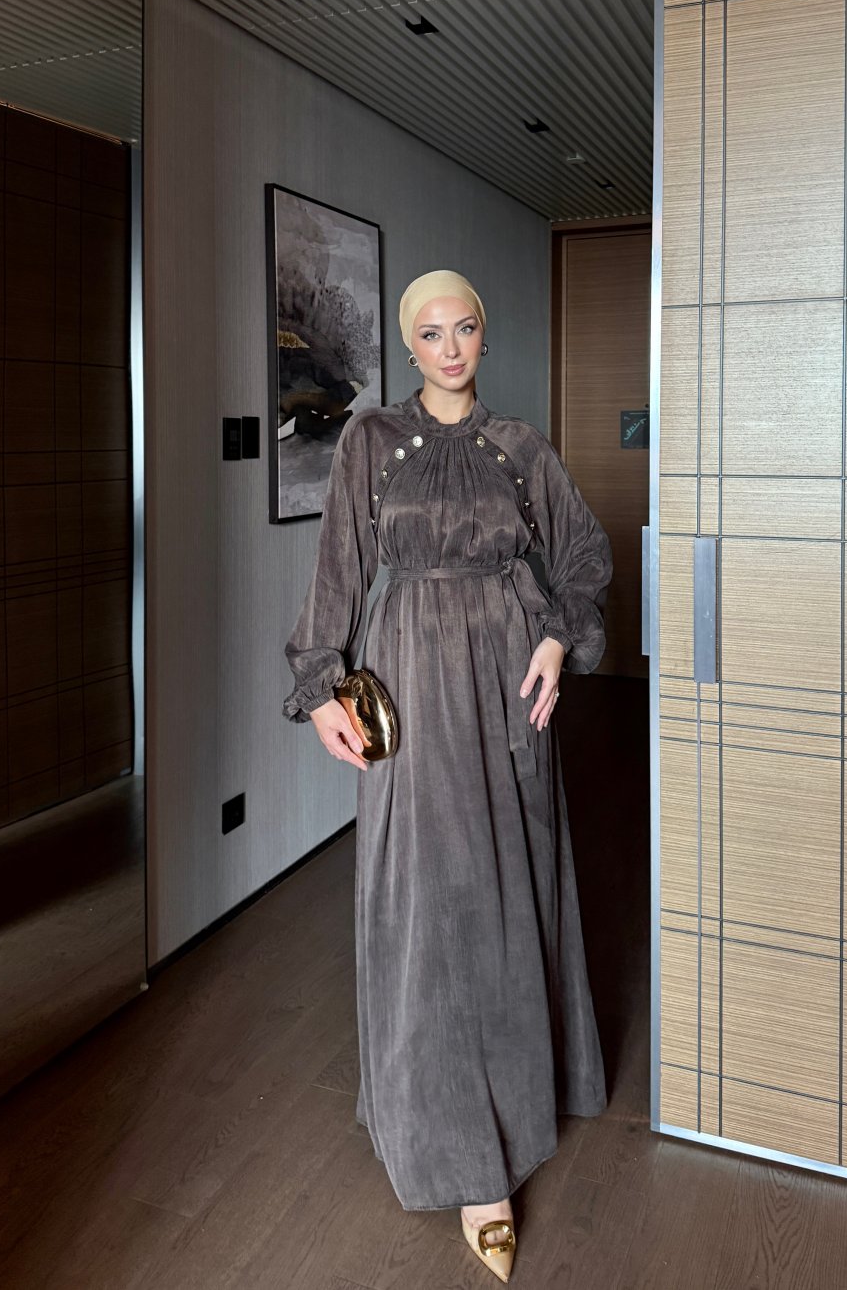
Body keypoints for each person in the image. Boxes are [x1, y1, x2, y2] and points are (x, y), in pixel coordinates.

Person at [283, 269, 611, 1283]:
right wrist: (319, 686)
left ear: (483, 333)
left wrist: (556, 637)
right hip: (409, 682)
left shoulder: (522, 447)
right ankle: (452, 1142)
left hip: (508, 681)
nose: (451, 346)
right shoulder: (371, 442)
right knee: (425, 899)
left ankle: (506, 1121)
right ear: (408, 344)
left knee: (503, 891)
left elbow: (584, 557)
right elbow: (338, 570)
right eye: (430, 332)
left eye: (465, 326)